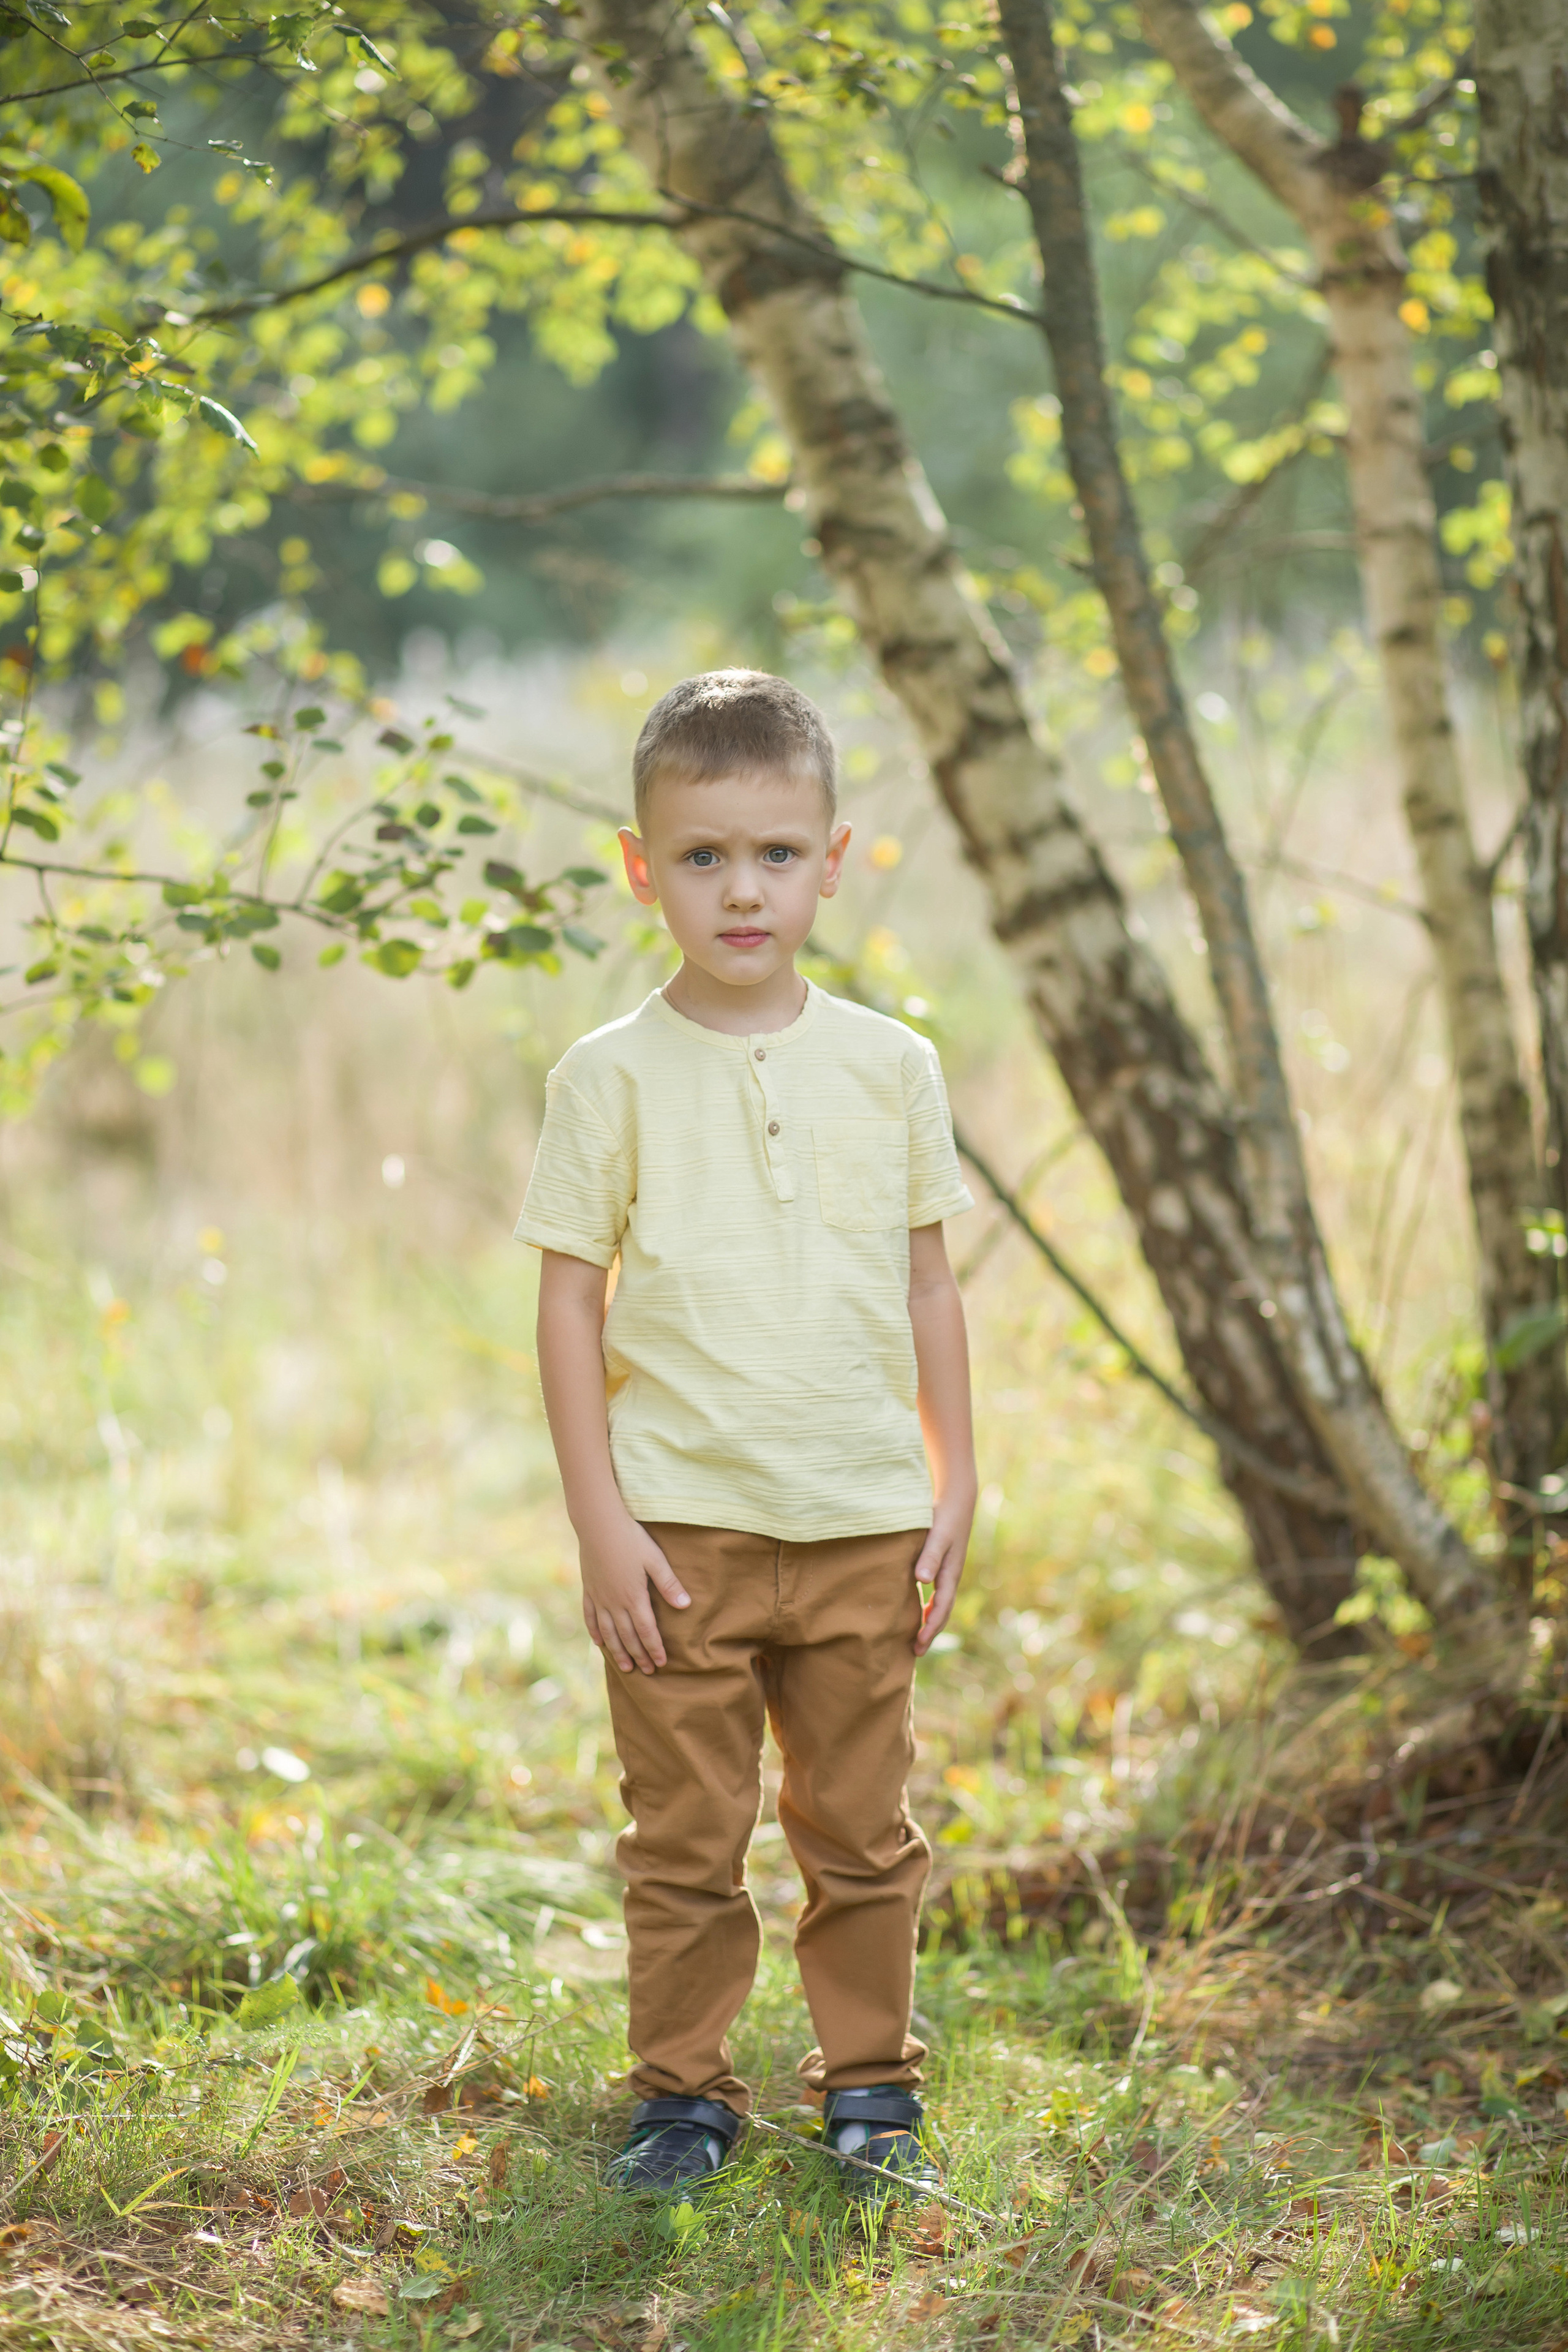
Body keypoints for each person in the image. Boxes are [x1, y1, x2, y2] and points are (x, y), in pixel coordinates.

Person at [517, 669, 976, 2199]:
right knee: (685, 1837)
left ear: (832, 861)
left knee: (861, 1831)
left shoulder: (892, 1067)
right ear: (641, 868)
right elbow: (570, 1308)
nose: (742, 888)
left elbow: (926, 1285)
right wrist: (600, 1520)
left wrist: (951, 1476)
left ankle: (869, 2093)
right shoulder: (606, 1079)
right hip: (679, 1535)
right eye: (702, 856)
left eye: (776, 854)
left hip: (859, 1517)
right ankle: (682, 2099)